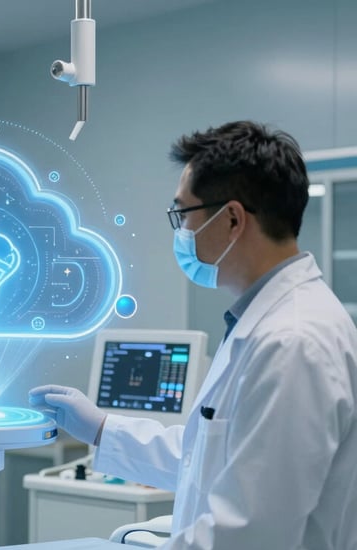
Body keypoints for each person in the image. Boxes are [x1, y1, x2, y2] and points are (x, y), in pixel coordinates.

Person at [29, 121, 357, 549]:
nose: (180, 230)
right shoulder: (262, 323)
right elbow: (203, 460)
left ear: (233, 218)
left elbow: (249, 533)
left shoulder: (293, 343)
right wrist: (102, 429)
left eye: (183, 213)